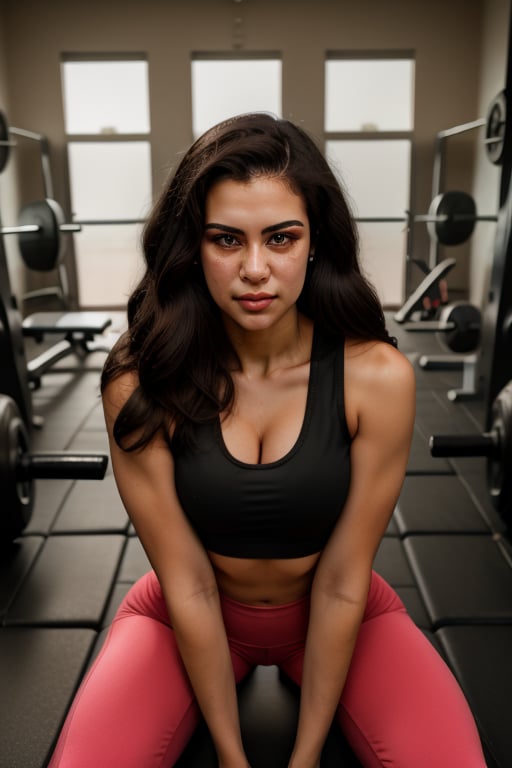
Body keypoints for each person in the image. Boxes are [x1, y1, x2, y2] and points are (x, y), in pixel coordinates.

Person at [49, 113, 487, 768]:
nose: (256, 269)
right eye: (227, 239)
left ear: (314, 242)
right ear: (193, 248)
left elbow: (342, 581)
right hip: (181, 614)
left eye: (281, 238)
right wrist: (233, 755)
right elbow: (189, 583)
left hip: (345, 613)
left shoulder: (375, 378)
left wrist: (304, 757)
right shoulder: (139, 381)